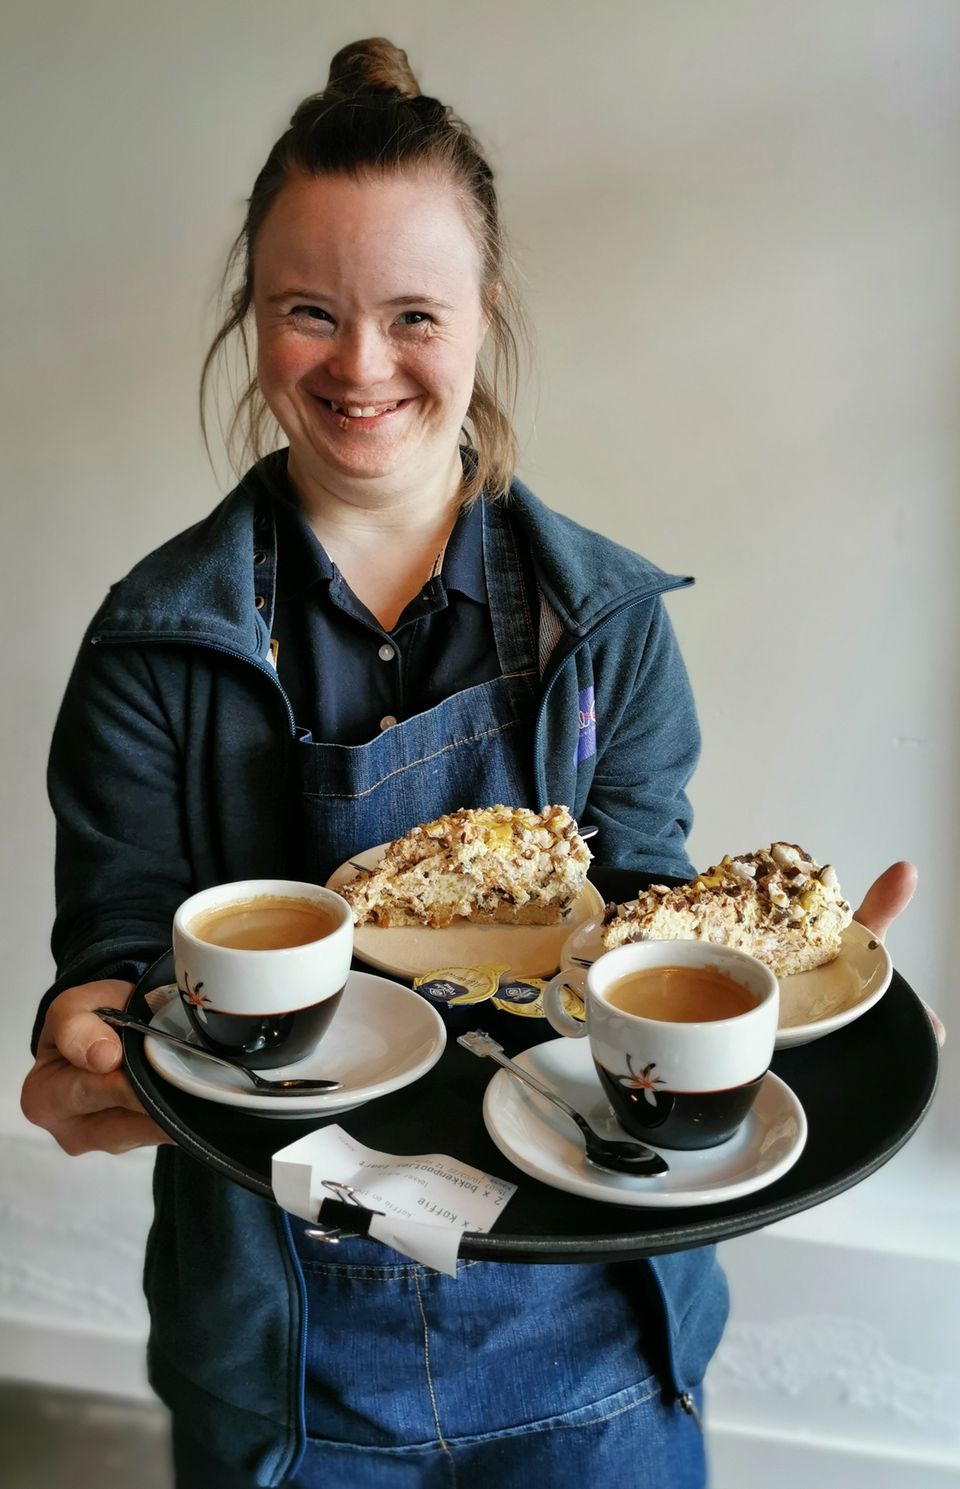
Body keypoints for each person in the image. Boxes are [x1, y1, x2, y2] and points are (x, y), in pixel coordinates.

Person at [20, 37, 918, 1489]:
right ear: (253, 318)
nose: (361, 366)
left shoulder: (609, 627)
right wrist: (92, 1039)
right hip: (288, 1361)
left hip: (593, 1335)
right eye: (309, 312)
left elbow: (638, 923)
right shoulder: (152, 648)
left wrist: (778, 979)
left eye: (414, 315)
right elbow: (121, 943)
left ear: (485, 316)